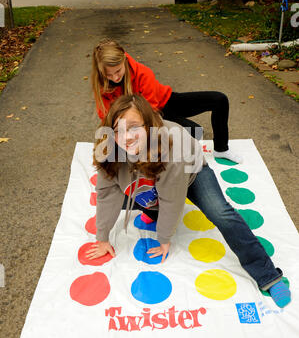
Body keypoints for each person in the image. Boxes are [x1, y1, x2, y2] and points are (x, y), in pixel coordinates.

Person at [86, 94, 291, 309]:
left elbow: (172, 199)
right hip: (151, 179)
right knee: (121, 200)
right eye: (118, 130)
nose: (126, 137)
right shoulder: (109, 149)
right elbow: (106, 194)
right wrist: (102, 237)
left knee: (220, 212)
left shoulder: (171, 147)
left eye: (134, 127)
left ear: (148, 125)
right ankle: (152, 210)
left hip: (191, 173)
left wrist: (164, 238)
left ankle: (268, 276)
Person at [91, 38, 242, 163]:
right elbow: (107, 117)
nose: (115, 78)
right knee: (194, 132)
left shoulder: (143, 73)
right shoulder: (100, 83)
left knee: (219, 99)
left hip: (162, 104)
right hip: (140, 118)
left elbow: (152, 109)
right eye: (108, 75)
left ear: (124, 59)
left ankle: (221, 150)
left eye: (118, 71)